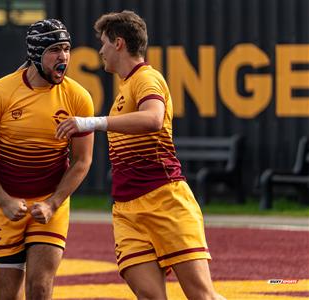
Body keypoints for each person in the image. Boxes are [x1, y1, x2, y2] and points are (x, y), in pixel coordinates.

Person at [56, 10, 225, 300]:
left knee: (201, 295)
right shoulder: (125, 88)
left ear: (119, 43)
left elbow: (153, 118)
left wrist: (92, 122)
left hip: (164, 200)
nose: (101, 50)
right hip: (126, 209)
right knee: (150, 297)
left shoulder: (147, 78)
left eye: (104, 43)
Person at [0, 19, 94, 300]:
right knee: (5, 296)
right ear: (36, 54)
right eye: (55, 50)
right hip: (5, 205)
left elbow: (82, 161)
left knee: (40, 288)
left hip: (50, 203)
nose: (64, 57)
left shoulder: (78, 97)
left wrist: (53, 203)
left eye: (67, 49)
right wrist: (3, 200)